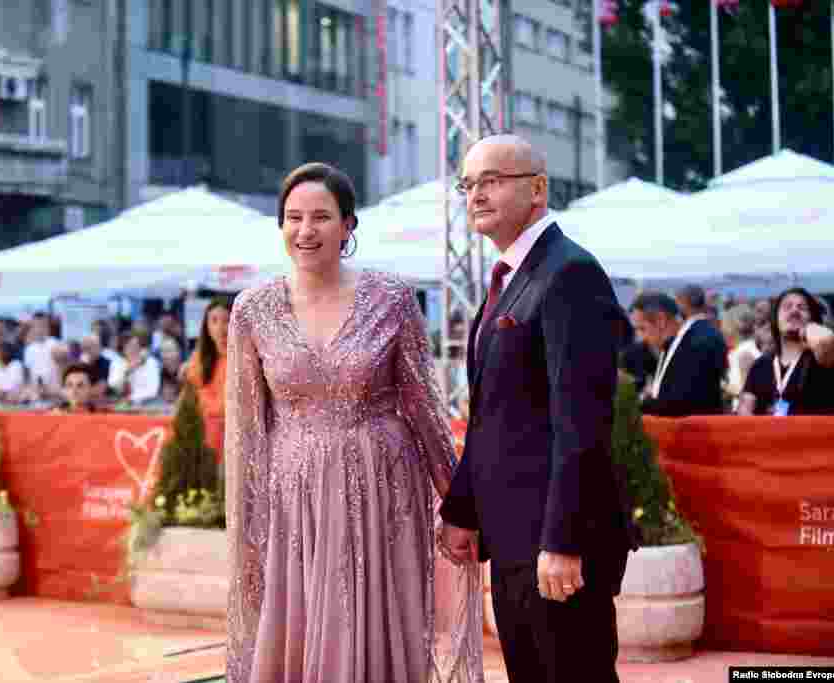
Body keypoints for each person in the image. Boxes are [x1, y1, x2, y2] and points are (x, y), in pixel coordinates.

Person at [224, 162, 482, 682]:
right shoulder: (252, 310)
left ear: (348, 226)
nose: (305, 230)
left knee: (378, 631)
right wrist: (245, 528)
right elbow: (245, 431)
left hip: (381, 489)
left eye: (321, 216)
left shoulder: (392, 298)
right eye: (293, 217)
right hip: (293, 497)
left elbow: (424, 406)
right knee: (297, 625)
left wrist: (459, 504)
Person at [437, 135, 637, 683]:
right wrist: (463, 510)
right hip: (512, 540)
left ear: (538, 189)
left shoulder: (569, 273)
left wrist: (563, 541)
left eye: (493, 180)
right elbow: (493, 416)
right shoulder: (508, 279)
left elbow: (582, 422)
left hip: (557, 545)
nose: (476, 194)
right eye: (468, 184)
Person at [737, 287, 834, 416]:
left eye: (802, 307)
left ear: (812, 318)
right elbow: (744, 410)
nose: (794, 310)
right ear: (775, 319)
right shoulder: (761, 364)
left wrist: (805, 329)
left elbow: (824, 341)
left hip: (813, 435)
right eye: (787, 307)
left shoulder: (821, 358)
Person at [629, 291, 728, 417]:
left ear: (660, 320)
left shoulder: (697, 344)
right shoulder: (684, 341)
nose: (640, 337)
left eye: (642, 328)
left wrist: (640, 403)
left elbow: (677, 404)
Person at [180, 298, 231, 465]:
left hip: (231, 441)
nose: (220, 328)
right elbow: (188, 400)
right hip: (201, 439)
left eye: (226, 321)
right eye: (214, 320)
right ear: (206, 326)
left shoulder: (244, 360)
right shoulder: (198, 359)